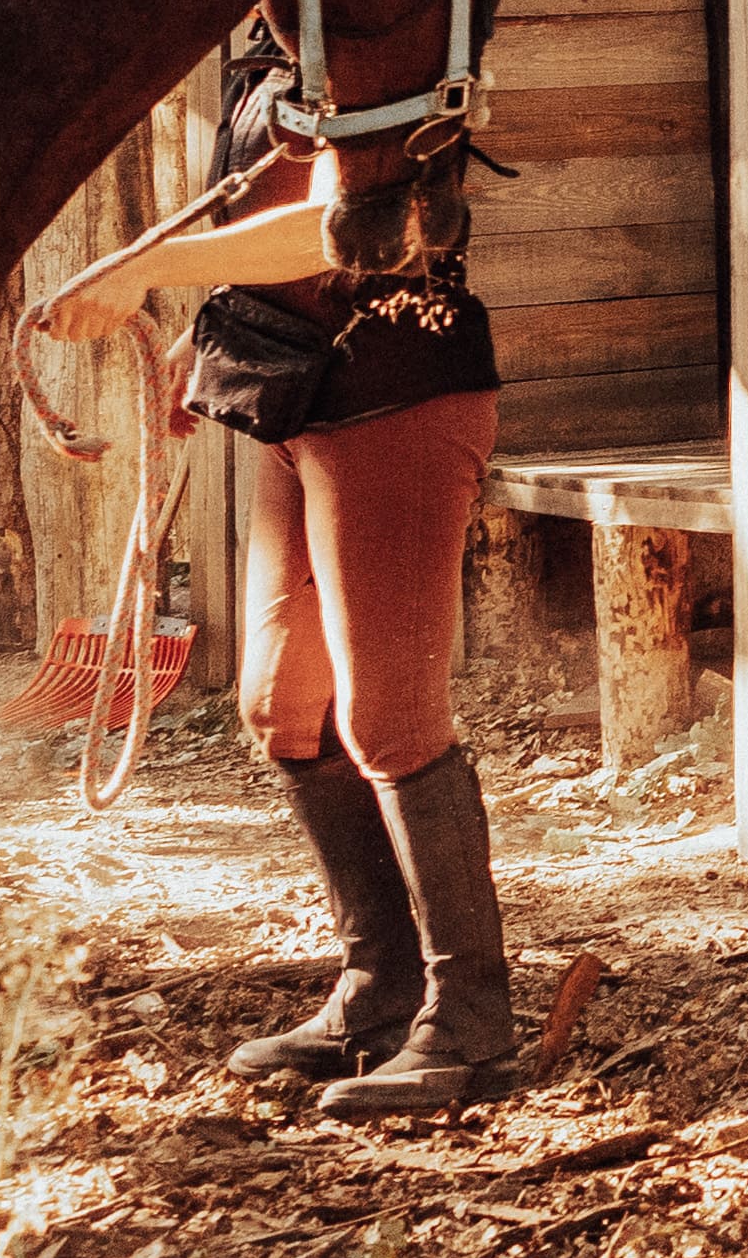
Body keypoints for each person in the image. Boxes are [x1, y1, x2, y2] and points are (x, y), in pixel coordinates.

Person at [57, 69, 531, 1117]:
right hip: (302, 392)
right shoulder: (275, 54)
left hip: (402, 395)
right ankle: (379, 988)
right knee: (283, 702)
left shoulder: (399, 52)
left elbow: (342, 229)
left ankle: (474, 1024)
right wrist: (214, 322)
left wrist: (151, 267)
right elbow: (265, 211)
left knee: (392, 717)